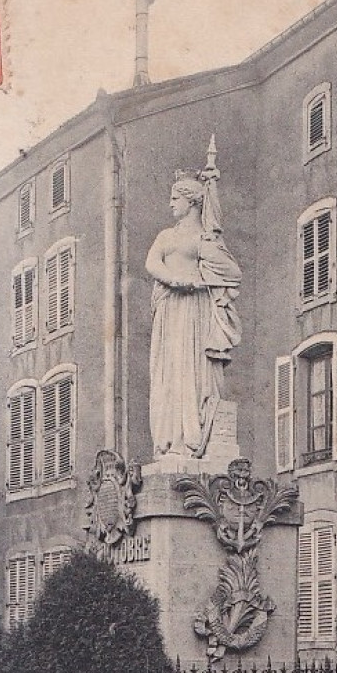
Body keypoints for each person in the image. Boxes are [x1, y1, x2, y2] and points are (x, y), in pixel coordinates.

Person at [146, 158, 241, 460]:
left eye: (176, 198)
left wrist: (204, 279)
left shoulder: (205, 238)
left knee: (189, 370)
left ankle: (189, 437)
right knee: (168, 372)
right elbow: (151, 263)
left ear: (191, 202)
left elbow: (231, 273)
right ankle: (168, 440)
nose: (170, 204)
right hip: (171, 307)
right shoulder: (166, 236)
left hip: (194, 312)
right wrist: (176, 280)